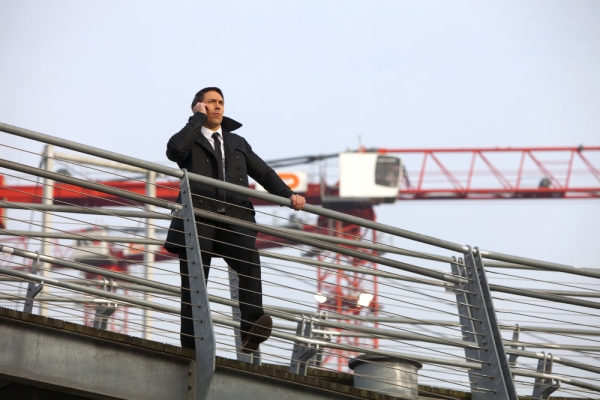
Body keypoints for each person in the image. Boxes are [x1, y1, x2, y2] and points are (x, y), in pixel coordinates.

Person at [164, 87, 306, 353]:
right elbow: (174, 151)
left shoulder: (236, 142)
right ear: (199, 106)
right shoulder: (189, 138)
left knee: (250, 260)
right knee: (195, 282)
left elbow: (263, 172)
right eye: (210, 102)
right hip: (199, 219)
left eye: (220, 102)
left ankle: (252, 329)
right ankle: (191, 349)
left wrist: (288, 194)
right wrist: (195, 120)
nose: (217, 106)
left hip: (234, 218)